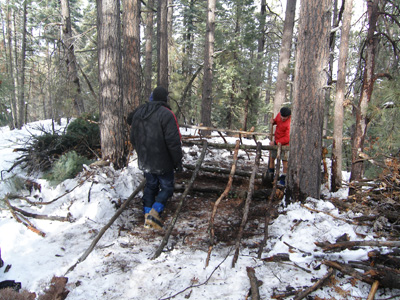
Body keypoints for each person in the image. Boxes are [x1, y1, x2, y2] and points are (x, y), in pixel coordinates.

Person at [129, 86, 183, 229]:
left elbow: (133, 137)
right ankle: (154, 213)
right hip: (163, 161)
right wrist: (177, 161)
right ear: (165, 98)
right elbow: (173, 142)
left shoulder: (140, 112)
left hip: (146, 160)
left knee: (151, 186)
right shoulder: (167, 114)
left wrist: (142, 153)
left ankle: (147, 215)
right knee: (167, 187)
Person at [268, 107, 291, 186]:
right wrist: (273, 121)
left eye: (284, 117)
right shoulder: (279, 115)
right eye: (281, 116)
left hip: (285, 145)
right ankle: (271, 176)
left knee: (285, 163)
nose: (282, 118)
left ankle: (283, 180)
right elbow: (277, 121)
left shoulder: (289, 123)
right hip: (276, 141)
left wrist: (275, 142)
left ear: (288, 116)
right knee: (272, 158)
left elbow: (287, 138)